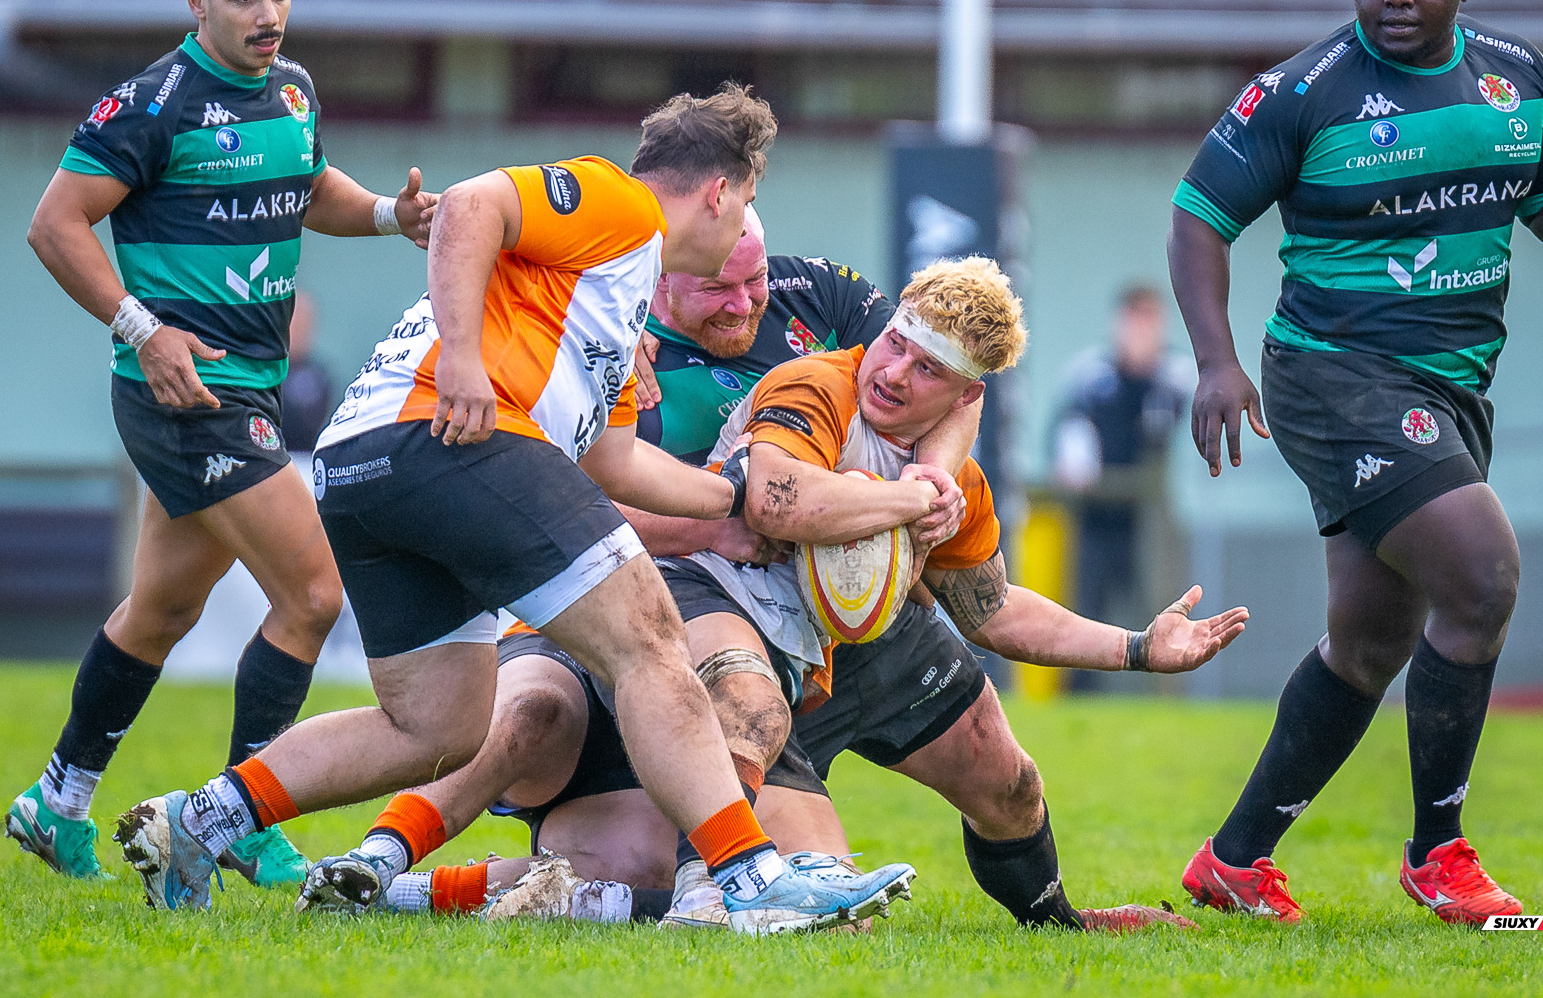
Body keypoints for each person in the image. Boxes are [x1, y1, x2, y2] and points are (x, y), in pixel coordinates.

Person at [115, 85, 917, 934]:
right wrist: (460, 360)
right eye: (749, 200)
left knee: (435, 726)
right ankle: (752, 880)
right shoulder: (621, 203)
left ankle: (198, 823)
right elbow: (470, 205)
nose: (745, 221)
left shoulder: (619, 293)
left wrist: (735, 499)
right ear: (720, 190)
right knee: (651, 636)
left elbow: (613, 460)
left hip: (361, 461)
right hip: (451, 431)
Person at [1167, 0, 1543, 925]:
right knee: (1483, 570)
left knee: (1371, 641)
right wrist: (1215, 360)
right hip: (1334, 375)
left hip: (1452, 382)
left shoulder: (1518, 73)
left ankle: (1235, 858)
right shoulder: (1303, 89)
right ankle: (1441, 853)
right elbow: (1200, 214)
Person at [302, 211, 950, 927]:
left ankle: (465, 895)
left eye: (754, 280)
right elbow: (568, 507)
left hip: (742, 632)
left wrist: (929, 486)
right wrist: (731, 518)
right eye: (716, 287)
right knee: (528, 710)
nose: (743, 302)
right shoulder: (607, 337)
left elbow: (954, 366)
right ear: (662, 272)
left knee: (662, 861)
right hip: (594, 603)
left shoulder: (817, 297)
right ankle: (377, 858)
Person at [5, 0, 434, 887]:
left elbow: (306, 185)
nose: (268, 12)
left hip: (250, 388)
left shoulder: (290, 90)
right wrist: (141, 327)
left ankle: (56, 797)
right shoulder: (151, 103)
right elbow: (54, 224)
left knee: (160, 608)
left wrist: (386, 213)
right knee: (314, 590)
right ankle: (245, 809)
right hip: (183, 394)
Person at [672, 257, 1247, 932]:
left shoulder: (959, 487)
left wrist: (1137, 647)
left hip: (841, 647)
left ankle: (1060, 923)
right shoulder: (817, 383)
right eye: (896, 343)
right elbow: (773, 498)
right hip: (715, 595)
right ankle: (702, 892)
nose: (892, 372)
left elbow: (993, 609)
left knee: (1008, 777)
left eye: (928, 369)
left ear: (965, 398)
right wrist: (910, 498)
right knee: (754, 716)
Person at [1049, 284, 1191, 689]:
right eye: (1135, 319)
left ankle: (1165, 697)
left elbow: (1171, 435)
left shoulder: (1174, 379)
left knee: (1160, 609)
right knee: (1084, 614)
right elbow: (1066, 432)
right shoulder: (1090, 377)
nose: (1142, 330)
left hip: (1154, 525)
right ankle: (1079, 702)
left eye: (1150, 320)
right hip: (1095, 518)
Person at [280, 292, 337, 456]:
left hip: (305, 461)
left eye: (304, 323)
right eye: (293, 322)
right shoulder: (260, 373)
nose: (298, 330)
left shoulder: (319, 376)